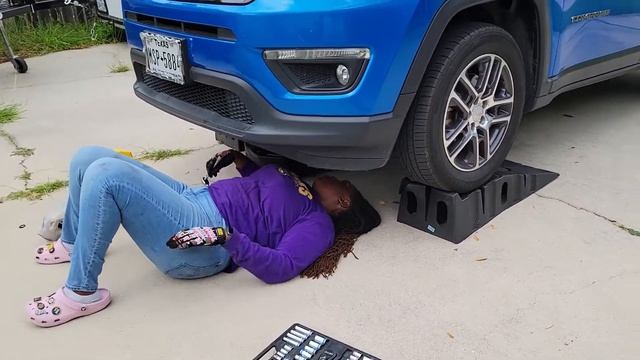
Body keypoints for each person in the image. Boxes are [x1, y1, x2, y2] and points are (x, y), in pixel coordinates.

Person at [26, 146, 380, 327]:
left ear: (343, 200)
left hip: (203, 238)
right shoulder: (303, 187)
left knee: (107, 175)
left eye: (342, 181)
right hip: (193, 196)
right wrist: (241, 162)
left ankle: (81, 291)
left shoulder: (317, 223)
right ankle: (73, 242)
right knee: (89, 156)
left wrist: (228, 238)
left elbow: (282, 266)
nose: (335, 176)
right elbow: (264, 198)